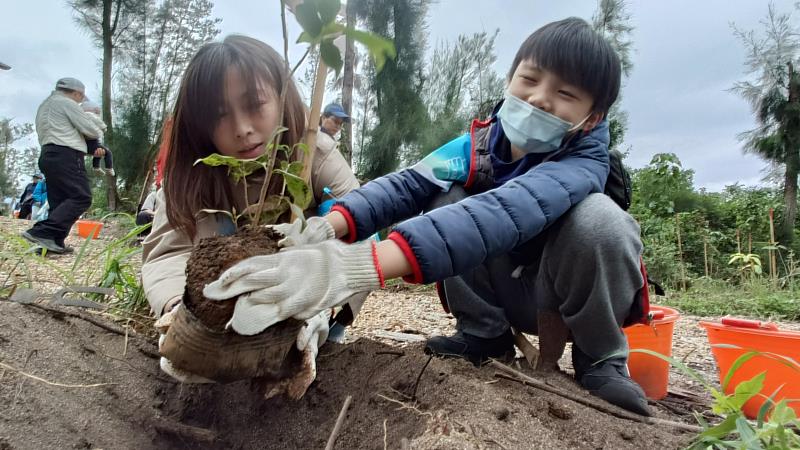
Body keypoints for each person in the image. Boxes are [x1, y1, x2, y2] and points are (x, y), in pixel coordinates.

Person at [201, 18, 653, 416]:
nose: (537, 99)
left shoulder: (581, 164)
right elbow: (405, 186)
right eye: (529, 79)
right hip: (506, 286)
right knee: (446, 192)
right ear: (511, 78)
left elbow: (497, 215)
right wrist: (324, 226)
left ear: (591, 119)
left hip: (558, 295)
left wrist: (355, 266)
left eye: (564, 94)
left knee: (599, 220)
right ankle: (484, 335)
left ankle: (600, 360)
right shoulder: (476, 146)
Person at [141, 35, 362, 386]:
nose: (242, 129)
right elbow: (167, 251)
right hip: (220, 319)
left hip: (306, 312)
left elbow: (362, 227)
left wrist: (326, 304)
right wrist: (176, 308)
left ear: (281, 96)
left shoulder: (314, 156)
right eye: (219, 116)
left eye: (255, 104)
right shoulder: (190, 172)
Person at [21, 77, 101, 254]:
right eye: (81, 97)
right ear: (76, 93)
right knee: (81, 197)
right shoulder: (67, 103)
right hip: (67, 155)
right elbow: (90, 129)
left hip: (48, 154)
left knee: (60, 200)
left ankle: (52, 243)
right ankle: (42, 231)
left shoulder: (45, 106)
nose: (81, 101)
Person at [81, 100, 115, 176]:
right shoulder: (90, 115)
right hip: (92, 142)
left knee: (98, 153)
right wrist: (104, 128)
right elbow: (101, 125)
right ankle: (109, 168)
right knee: (108, 152)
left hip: (83, 145)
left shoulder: (79, 118)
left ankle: (96, 168)